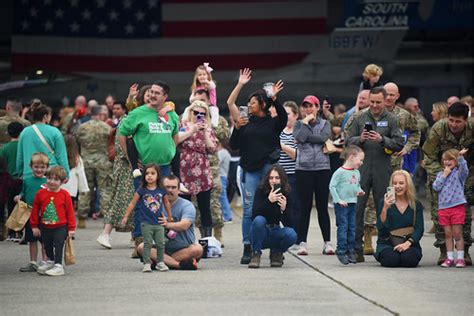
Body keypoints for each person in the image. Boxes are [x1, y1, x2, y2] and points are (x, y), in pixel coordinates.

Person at [227, 68, 287, 264]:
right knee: (249, 209)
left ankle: (276, 247)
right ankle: (249, 246)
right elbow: (234, 145)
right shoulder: (245, 121)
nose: (249, 105)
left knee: (275, 206)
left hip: (269, 170)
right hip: (251, 170)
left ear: (262, 104)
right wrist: (237, 128)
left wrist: (275, 98)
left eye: (252, 102)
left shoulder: (273, 123)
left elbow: (284, 117)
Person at [346, 86, 404, 262]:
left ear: (385, 100)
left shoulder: (392, 119)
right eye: (372, 102)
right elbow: (348, 140)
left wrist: (382, 140)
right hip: (361, 169)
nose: (375, 105)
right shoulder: (359, 117)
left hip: (382, 167)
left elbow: (399, 143)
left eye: (378, 102)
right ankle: (356, 249)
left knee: (384, 207)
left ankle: (384, 247)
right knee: (356, 208)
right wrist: (360, 139)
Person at [422, 102, 473, 265]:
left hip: (467, 172)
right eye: (451, 120)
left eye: (458, 121)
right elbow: (429, 155)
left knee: (463, 214)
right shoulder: (439, 128)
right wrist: (443, 176)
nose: (454, 124)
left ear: (466, 120)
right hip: (441, 172)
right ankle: (445, 251)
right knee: (439, 214)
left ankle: (463, 252)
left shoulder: (472, 128)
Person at [293, 95, 334, 256]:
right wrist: (304, 124)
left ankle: (327, 243)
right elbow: (300, 137)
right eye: (305, 106)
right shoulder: (298, 124)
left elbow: (323, 137)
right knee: (305, 207)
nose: (308, 109)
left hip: (322, 168)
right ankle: (302, 242)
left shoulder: (326, 123)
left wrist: (306, 139)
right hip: (303, 169)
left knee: (323, 207)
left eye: (311, 106)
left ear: (317, 108)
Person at [138, 175, 203, 270]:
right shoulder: (153, 205)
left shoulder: (187, 205)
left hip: (183, 249)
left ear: (179, 190)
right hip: (160, 248)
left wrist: (167, 224)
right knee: (141, 247)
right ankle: (179, 265)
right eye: (167, 187)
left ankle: (160, 261)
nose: (170, 190)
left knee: (198, 249)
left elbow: (184, 225)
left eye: (173, 187)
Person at [176, 100, 218, 238]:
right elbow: (175, 141)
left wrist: (205, 132)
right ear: (190, 112)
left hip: (202, 169)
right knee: (184, 205)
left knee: (205, 206)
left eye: (203, 113)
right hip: (184, 168)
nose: (199, 115)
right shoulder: (182, 125)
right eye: (196, 113)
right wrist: (192, 130)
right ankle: (186, 238)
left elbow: (213, 149)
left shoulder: (208, 129)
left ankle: (207, 240)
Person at [121, 163, 172, 272]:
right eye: (147, 173)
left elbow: (167, 203)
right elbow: (132, 203)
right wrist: (125, 216)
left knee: (160, 243)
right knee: (148, 243)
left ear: (158, 175)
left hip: (159, 222)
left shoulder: (161, 190)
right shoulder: (141, 190)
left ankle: (160, 262)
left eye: (153, 173)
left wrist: (169, 217)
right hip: (146, 222)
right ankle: (147, 263)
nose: (149, 176)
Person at [248, 165, 297, 268]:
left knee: (292, 234)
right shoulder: (261, 191)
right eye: (271, 178)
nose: (274, 181)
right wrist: (268, 201)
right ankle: (256, 253)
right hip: (261, 232)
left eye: (277, 178)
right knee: (259, 220)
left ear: (282, 179)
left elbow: (291, 223)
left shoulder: (287, 193)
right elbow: (254, 215)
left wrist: (284, 209)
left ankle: (276, 253)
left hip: (276, 230)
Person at [31, 166, 76, 276]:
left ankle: (58, 265)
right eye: (49, 178)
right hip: (45, 226)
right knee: (47, 244)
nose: (52, 182)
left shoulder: (65, 195)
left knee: (59, 244)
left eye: (56, 180)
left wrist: (71, 228)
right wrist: (34, 226)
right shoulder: (40, 194)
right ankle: (50, 261)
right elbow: (35, 210)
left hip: (61, 226)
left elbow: (70, 212)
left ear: (62, 182)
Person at [375, 170, 424, 267]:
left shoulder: (416, 204)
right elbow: (380, 228)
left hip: (409, 243)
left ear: (407, 185)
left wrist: (407, 243)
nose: (397, 186)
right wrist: (385, 208)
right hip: (388, 243)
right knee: (391, 260)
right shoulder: (383, 202)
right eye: (394, 183)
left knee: (409, 260)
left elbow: (419, 229)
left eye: (401, 183)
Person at [75, 104, 113, 229]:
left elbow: (76, 142)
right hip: (103, 162)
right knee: (105, 190)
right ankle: (106, 220)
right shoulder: (106, 127)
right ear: (100, 114)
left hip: (85, 161)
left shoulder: (82, 128)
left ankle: (81, 218)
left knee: (85, 190)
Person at [329, 146, 365, 265]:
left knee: (352, 227)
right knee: (343, 227)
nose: (361, 162)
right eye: (360, 159)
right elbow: (332, 186)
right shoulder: (340, 172)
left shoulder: (356, 172)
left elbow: (356, 184)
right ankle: (341, 250)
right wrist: (338, 200)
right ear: (351, 157)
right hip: (342, 205)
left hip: (352, 202)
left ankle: (351, 251)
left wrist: (359, 190)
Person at [433, 148, 469, 268]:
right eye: (445, 160)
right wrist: (444, 175)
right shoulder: (440, 174)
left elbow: (465, 170)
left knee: (457, 233)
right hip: (443, 208)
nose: (447, 162)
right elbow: (436, 187)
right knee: (448, 234)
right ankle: (449, 258)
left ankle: (460, 258)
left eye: (450, 159)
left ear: (455, 161)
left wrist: (460, 157)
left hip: (457, 207)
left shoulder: (459, 174)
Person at [14, 153, 49, 271]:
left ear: (47, 168)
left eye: (42, 167)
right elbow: (24, 193)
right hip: (30, 214)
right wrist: (19, 196)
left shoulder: (48, 182)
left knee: (45, 240)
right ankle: (33, 262)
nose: (39, 170)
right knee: (31, 239)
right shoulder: (27, 181)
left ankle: (45, 261)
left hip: (45, 215)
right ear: (31, 166)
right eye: (36, 167)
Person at [16, 103, 69, 179]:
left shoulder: (25, 132)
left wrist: (20, 172)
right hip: (51, 174)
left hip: (29, 173)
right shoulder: (55, 132)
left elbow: (20, 156)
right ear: (45, 116)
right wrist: (66, 174)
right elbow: (61, 156)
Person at [0, 122, 24, 240]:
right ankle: (18, 231)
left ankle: (10, 232)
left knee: (10, 205)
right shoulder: (23, 146)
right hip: (22, 179)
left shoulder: (4, 148)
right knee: (21, 206)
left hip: (8, 181)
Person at [279, 101, 299, 231]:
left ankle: (295, 234)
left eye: (288, 114)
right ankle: (287, 231)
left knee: (294, 205)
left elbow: (297, 155)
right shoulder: (279, 131)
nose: (285, 116)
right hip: (279, 175)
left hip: (294, 174)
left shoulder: (299, 132)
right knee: (281, 205)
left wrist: (281, 146)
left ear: (296, 115)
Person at [61, 134, 89, 206]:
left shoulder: (59, 157)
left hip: (59, 188)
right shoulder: (77, 159)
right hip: (71, 190)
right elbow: (81, 174)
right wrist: (83, 189)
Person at [218, 140, 233, 222]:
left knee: (222, 197)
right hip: (224, 177)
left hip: (221, 177)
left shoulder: (222, 152)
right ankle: (226, 215)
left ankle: (227, 216)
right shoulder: (226, 152)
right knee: (222, 197)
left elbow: (216, 162)